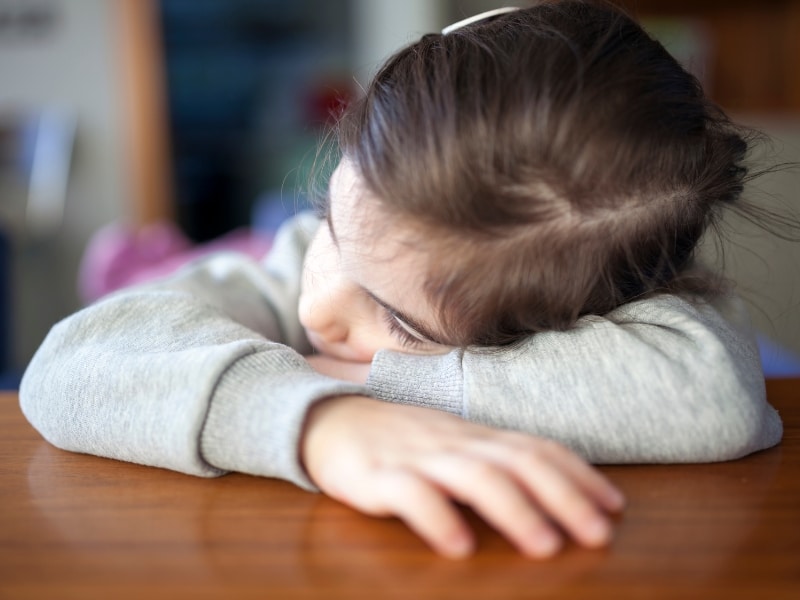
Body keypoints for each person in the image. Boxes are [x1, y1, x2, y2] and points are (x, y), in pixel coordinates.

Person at [20, 0, 784, 559]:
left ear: (570, 326)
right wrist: (318, 420)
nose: (317, 305)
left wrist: (375, 383)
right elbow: (68, 366)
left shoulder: (627, 315)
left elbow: (712, 396)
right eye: (333, 218)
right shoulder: (289, 265)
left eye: (402, 321)